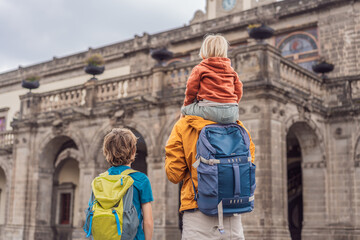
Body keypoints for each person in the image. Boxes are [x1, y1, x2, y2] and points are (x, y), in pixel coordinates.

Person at [165, 115, 255, 239]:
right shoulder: (239, 126)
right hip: (232, 216)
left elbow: (174, 174)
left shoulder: (184, 125)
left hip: (197, 215)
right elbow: (249, 167)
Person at [102, 128, 154, 240]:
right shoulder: (141, 179)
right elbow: (148, 222)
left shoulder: (100, 180)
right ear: (134, 151)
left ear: (106, 151)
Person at [181, 34, 243, 124]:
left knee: (184, 110)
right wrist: (231, 103)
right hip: (232, 113)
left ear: (203, 52)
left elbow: (191, 89)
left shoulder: (199, 68)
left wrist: (187, 104)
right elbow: (239, 90)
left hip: (210, 111)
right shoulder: (231, 70)